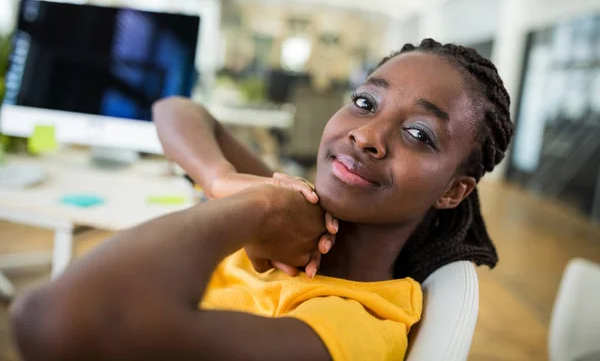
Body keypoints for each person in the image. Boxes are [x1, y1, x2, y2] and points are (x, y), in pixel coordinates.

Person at [10, 39, 514, 360]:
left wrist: (260, 208)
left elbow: (56, 320)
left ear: (453, 191)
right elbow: (176, 109)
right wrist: (221, 178)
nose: (367, 136)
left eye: (419, 134)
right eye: (365, 102)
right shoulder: (310, 214)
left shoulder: (355, 328)